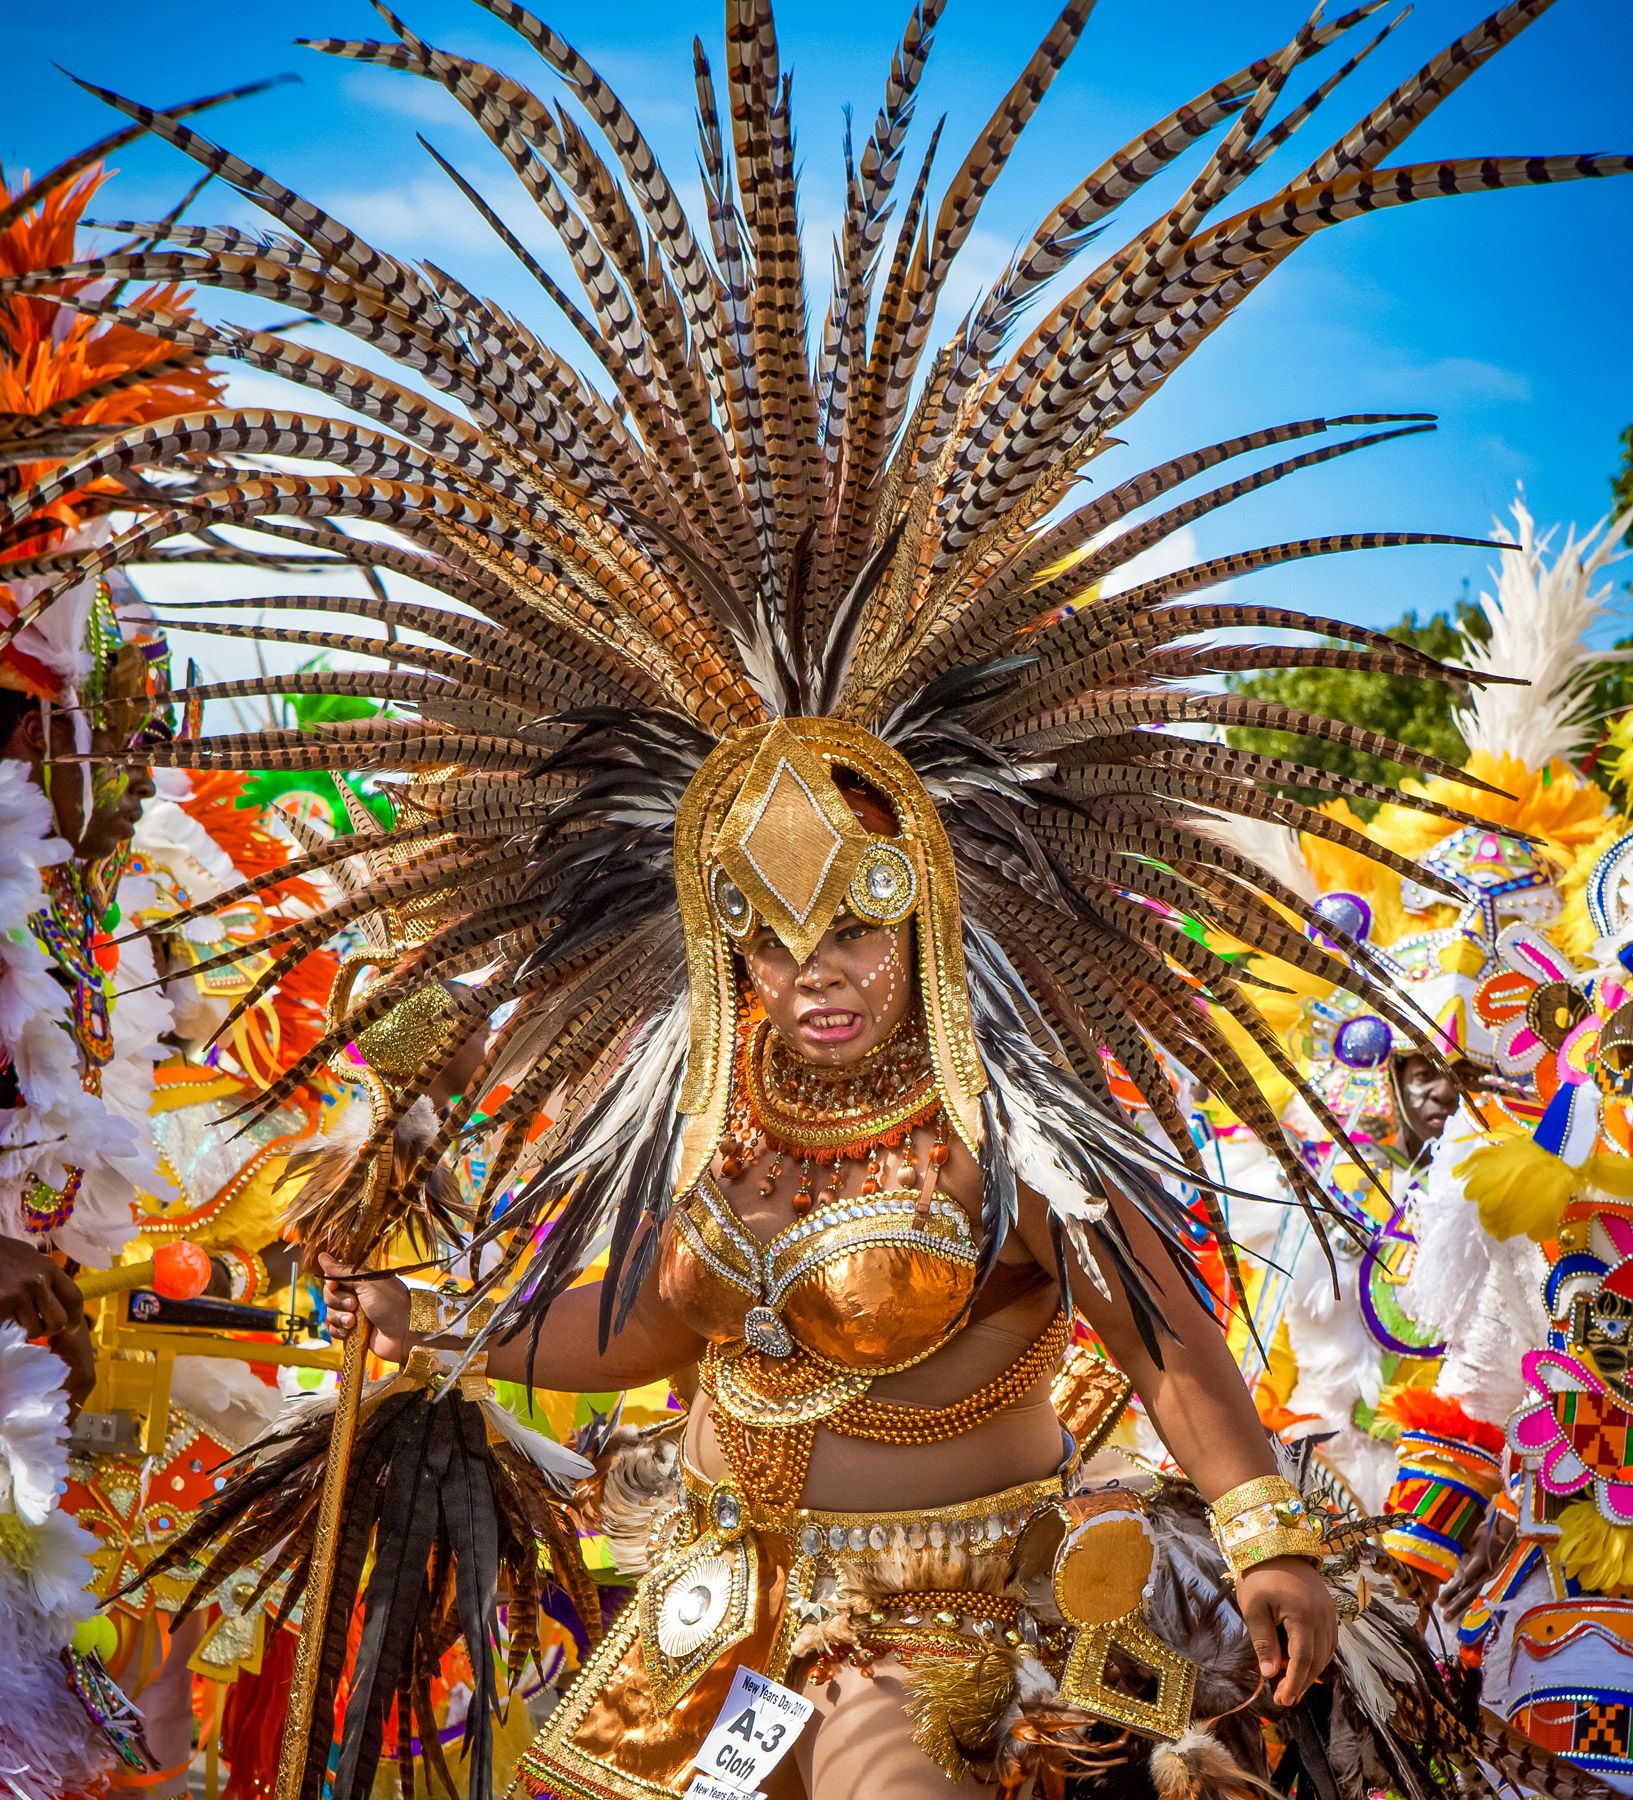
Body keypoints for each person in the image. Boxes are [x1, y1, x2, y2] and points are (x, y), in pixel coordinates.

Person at [11, 2, 1628, 1793]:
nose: (812, 978)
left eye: (850, 926)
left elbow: (1163, 1336)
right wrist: (433, 1311)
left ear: (925, 908)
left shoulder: (1012, 1120)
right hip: (712, 1636)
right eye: (767, 943)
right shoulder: (701, 1103)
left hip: (969, 1648)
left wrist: (1269, 1533)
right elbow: (639, 1333)